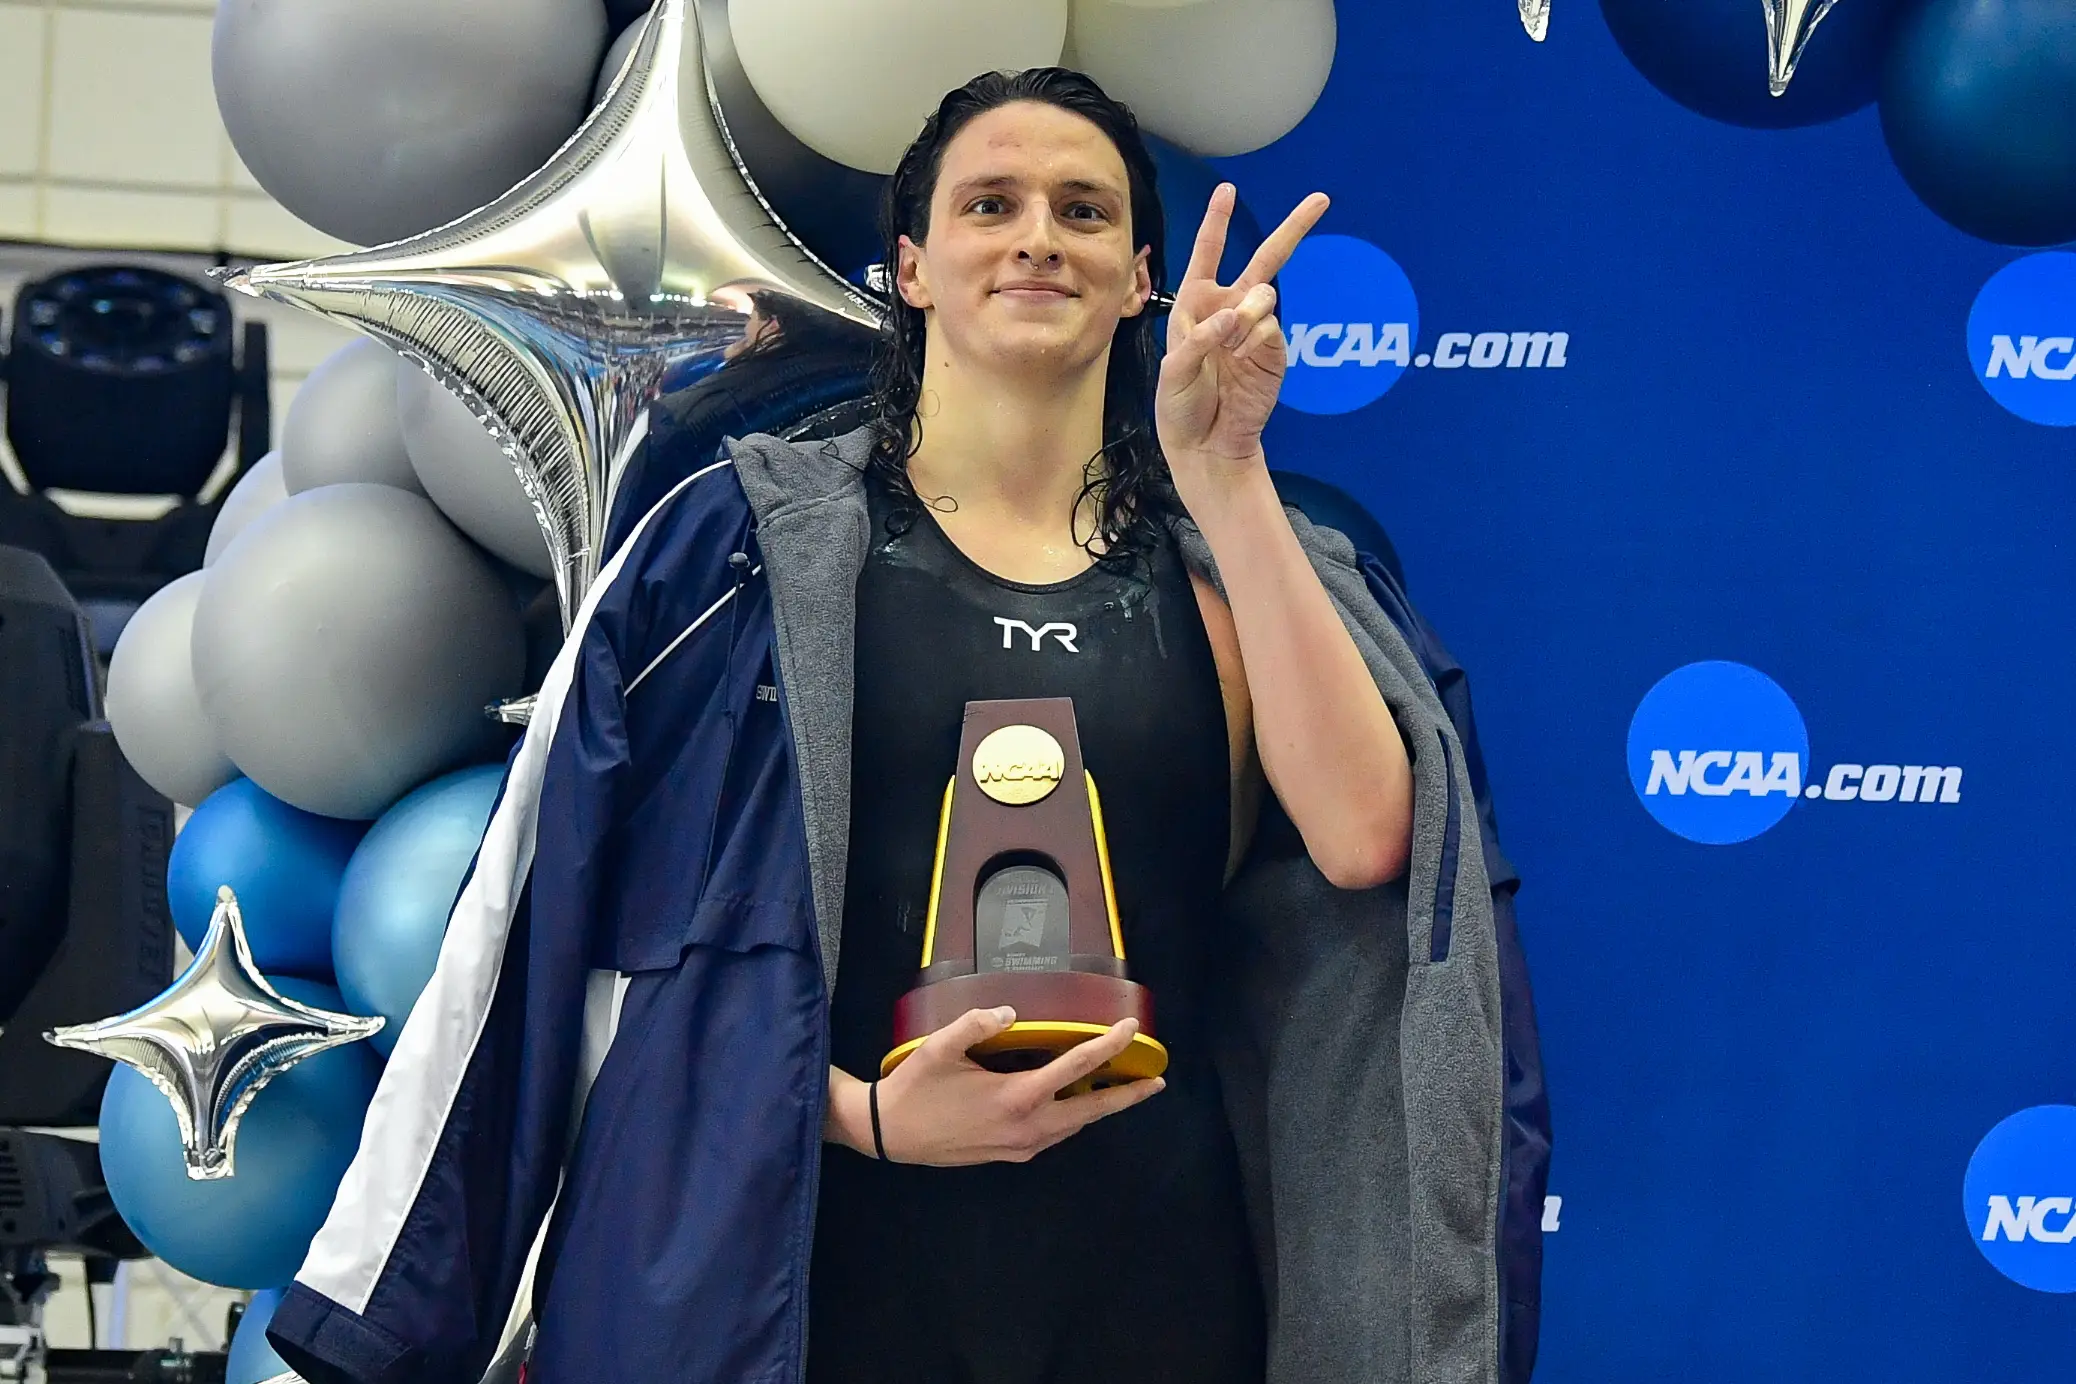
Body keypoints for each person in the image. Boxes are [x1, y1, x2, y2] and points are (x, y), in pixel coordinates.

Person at [264, 68, 1520, 1384]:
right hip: (814, 1283)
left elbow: (1374, 843)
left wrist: (1226, 467)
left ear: (1142, 277)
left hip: (1161, 1288)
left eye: (1085, 212)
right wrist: (859, 1115)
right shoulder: (734, 557)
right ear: (911, 266)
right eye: (993, 203)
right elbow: (556, 936)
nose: (1039, 233)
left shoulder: (1238, 572)